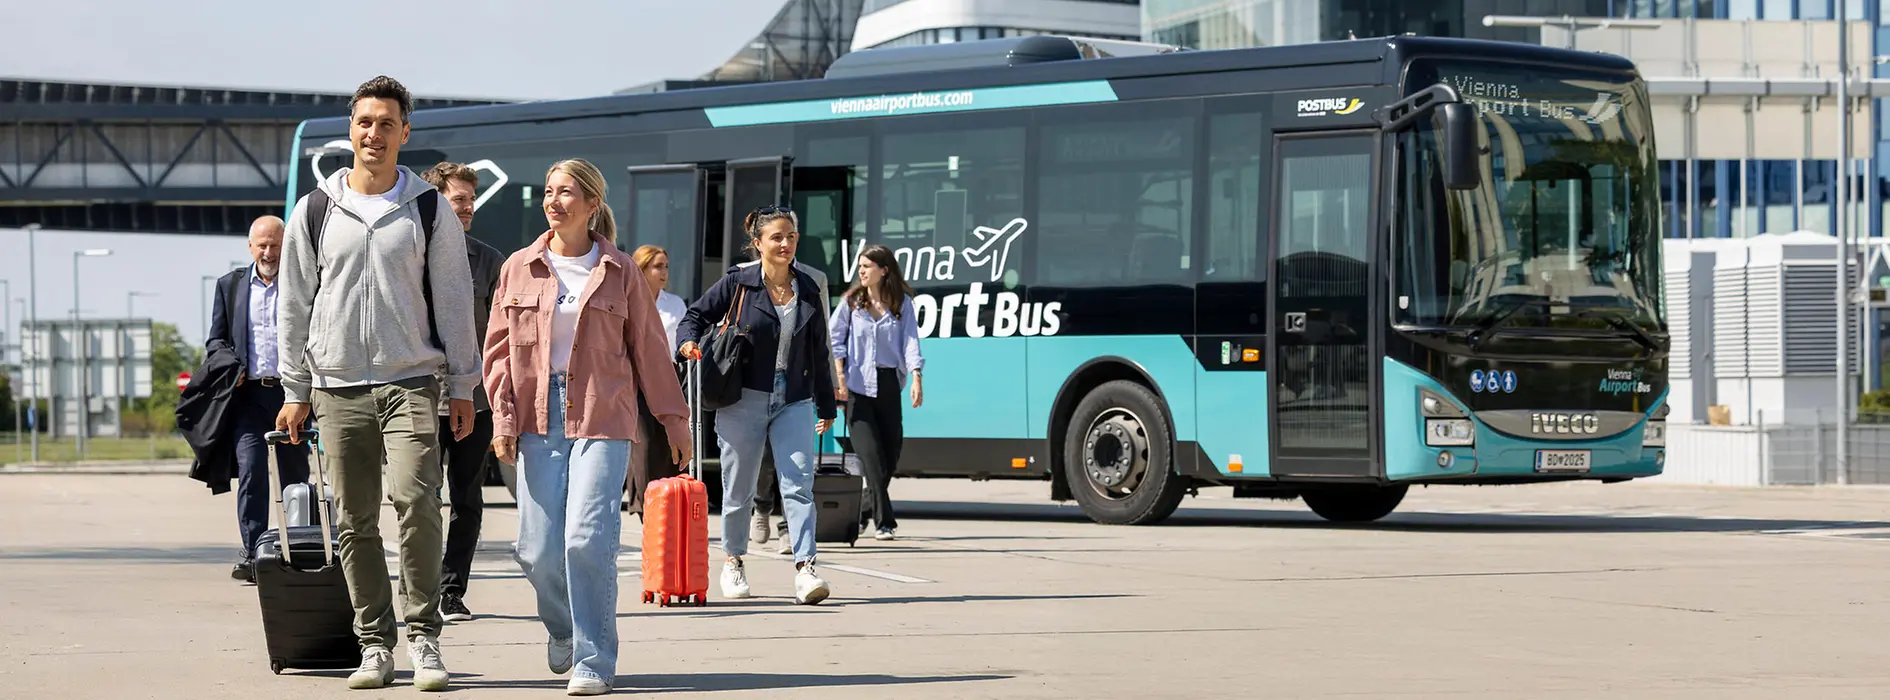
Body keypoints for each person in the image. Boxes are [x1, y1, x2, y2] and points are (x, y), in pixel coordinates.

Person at [275, 75, 480, 692]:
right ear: (351, 130)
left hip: (410, 380)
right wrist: (294, 389)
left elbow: (454, 301)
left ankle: (424, 635)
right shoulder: (315, 209)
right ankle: (374, 644)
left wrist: (463, 384)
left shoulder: (428, 207)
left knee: (418, 501)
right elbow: (294, 304)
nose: (374, 133)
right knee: (354, 520)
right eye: (365, 122)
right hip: (336, 385)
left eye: (387, 123)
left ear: (404, 132)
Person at [486, 159, 692, 696]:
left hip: (604, 413)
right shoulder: (519, 267)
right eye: (548, 191)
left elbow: (651, 351)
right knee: (535, 550)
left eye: (566, 192)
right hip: (537, 415)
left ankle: (594, 658)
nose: (553, 201)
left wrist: (674, 420)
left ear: (592, 204)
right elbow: (498, 353)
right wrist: (503, 418)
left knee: (587, 539)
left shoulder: (620, 271)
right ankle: (562, 628)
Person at [677, 204, 837, 606]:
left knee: (798, 485)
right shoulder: (739, 283)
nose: (786, 244)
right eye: (776, 237)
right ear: (758, 243)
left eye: (791, 236)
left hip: (794, 398)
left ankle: (805, 568)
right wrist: (687, 341)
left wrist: (827, 403)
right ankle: (733, 560)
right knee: (738, 488)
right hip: (743, 396)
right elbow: (695, 315)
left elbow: (819, 349)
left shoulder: (809, 287)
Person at [418, 161, 506, 623]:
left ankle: (452, 590)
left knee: (467, 499)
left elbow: (501, 335)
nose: (469, 207)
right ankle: (420, 588)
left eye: (472, 199)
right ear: (437, 201)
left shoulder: (489, 261)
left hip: (475, 399)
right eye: (459, 199)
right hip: (419, 397)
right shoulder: (409, 255)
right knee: (419, 498)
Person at [206, 215, 310, 583]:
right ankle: (253, 554)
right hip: (248, 397)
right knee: (251, 472)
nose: (268, 252)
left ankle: (297, 550)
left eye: (275, 245)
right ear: (250, 247)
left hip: (292, 396)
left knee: (295, 478)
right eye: (262, 245)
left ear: (286, 246)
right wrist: (229, 365)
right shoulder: (230, 286)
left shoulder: (302, 282)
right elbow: (215, 340)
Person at [829, 244, 925, 541]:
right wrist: (840, 377)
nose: (861, 271)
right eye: (860, 266)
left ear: (883, 270)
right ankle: (885, 522)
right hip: (856, 388)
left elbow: (911, 341)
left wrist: (917, 376)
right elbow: (834, 339)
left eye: (867, 266)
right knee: (870, 456)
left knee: (890, 456)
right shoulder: (851, 302)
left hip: (888, 385)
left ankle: (861, 513)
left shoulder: (901, 303)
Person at [626, 245, 689, 519]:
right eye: (657, 266)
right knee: (645, 444)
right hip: (635, 380)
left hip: (668, 377)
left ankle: (667, 507)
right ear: (641, 269)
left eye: (666, 267)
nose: (664, 272)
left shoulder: (675, 304)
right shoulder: (628, 299)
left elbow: (681, 340)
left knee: (667, 445)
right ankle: (645, 507)